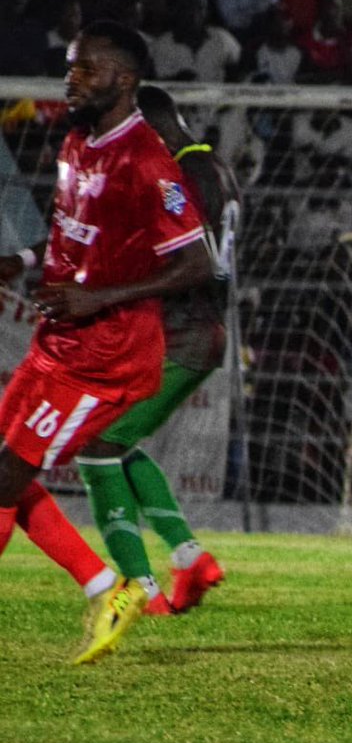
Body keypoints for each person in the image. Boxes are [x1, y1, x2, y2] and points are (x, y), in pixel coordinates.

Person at [0, 21, 211, 663]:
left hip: (105, 355)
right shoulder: (77, 140)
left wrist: (100, 298)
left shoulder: (147, 160)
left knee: (7, 475)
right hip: (58, 341)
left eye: (85, 69)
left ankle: (113, 583)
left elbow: (197, 263)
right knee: (4, 470)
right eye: (71, 67)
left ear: (124, 79)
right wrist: (24, 261)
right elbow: (76, 231)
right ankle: (105, 585)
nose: (72, 79)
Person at [74, 86, 237, 616]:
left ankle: (140, 586)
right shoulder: (217, 169)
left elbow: (185, 261)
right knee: (113, 440)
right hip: (199, 329)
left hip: (181, 332)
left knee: (95, 443)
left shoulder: (180, 176)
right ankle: (189, 558)